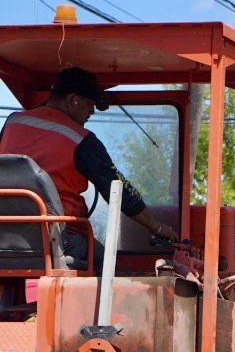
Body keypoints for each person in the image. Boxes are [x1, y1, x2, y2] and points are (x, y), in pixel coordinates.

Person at [0, 66, 179, 258]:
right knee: (106, 262)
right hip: (57, 239)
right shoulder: (81, 140)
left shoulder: (13, 123)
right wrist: (156, 227)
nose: (92, 111)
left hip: (6, 234)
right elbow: (118, 190)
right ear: (73, 100)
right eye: (89, 103)